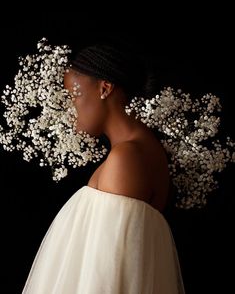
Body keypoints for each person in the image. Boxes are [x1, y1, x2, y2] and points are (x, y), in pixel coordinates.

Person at [22, 39, 185, 293]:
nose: (70, 109)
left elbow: (105, 279)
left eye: (75, 95)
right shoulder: (138, 151)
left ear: (104, 88)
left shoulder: (127, 158)